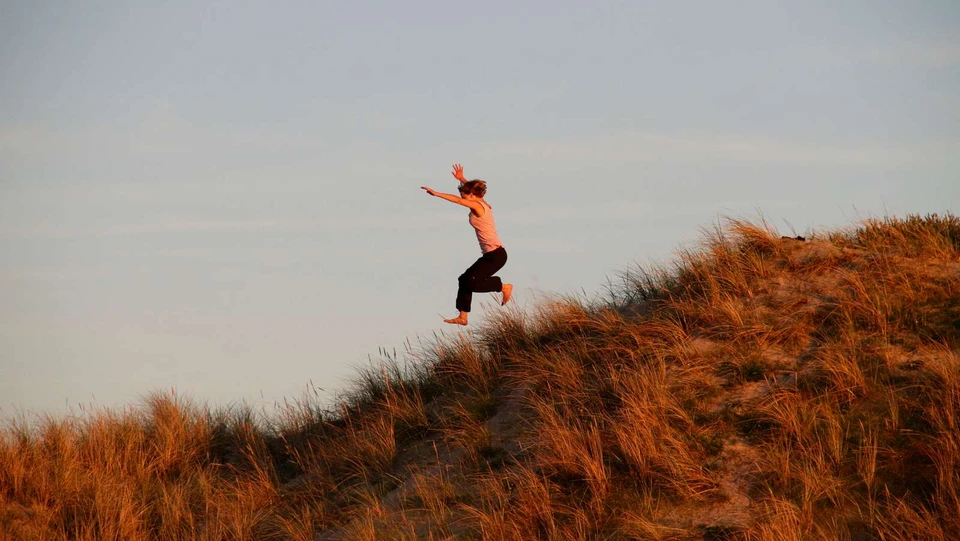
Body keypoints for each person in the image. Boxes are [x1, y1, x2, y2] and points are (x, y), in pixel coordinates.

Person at [421, 164, 513, 325]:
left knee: (472, 282)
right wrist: (462, 179)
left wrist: (436, 194)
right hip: (490, 255)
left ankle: (503, 286)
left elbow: (457, 200)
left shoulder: (478, 206)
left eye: (465, 195)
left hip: (496, 255)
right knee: (464, 280)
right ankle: (463, 316)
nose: (463, 198)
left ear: (471, 195)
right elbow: (472, 191)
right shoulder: (482, 201)